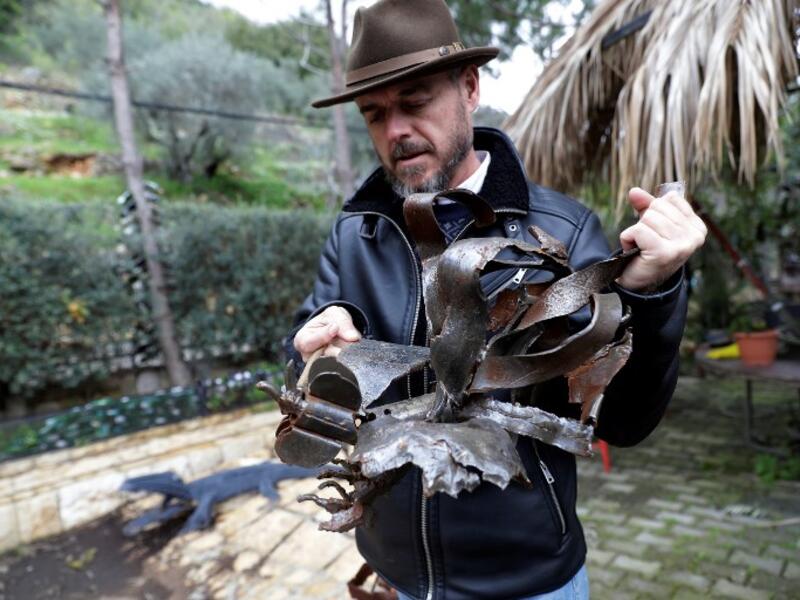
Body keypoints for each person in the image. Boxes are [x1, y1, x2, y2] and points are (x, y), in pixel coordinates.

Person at [284, 1, 707, 598]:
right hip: (397, 577)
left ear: (469, 88)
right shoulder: (357, 234)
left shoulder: (562, 229)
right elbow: (306, 356)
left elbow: (624, 420)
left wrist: (653, 292)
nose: (395, 131)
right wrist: (315, 346)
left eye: (414, 101)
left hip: (528, 579)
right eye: (374, 114)